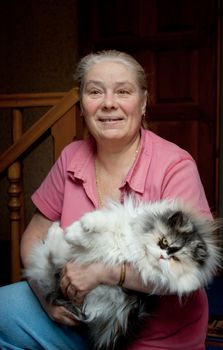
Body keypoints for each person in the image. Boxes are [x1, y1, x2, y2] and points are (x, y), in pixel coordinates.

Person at [0, 50, 212, 350]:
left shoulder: (175, 166)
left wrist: (106, 272)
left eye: (123, 91)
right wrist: (46, 295)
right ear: (83, 105)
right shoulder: (71, 156)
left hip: (156, 333)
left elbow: (193, 268)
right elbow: (35, 233)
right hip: (78, 318)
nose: (108, 103)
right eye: (95, 91)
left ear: (143, 102)